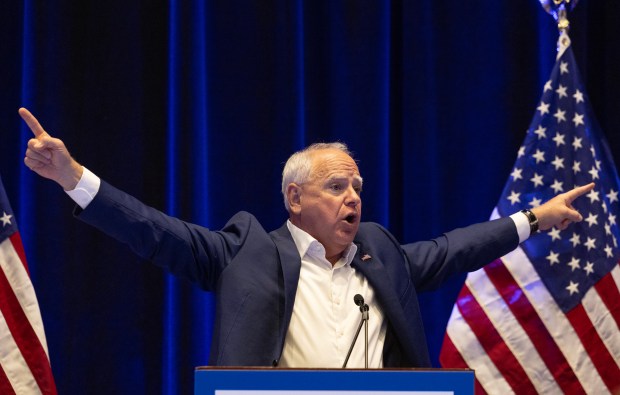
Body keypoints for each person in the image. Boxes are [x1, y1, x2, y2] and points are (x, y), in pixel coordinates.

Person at [19, 107, 593, 368]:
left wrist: (533, 219)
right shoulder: (247, 250)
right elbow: (153, 231)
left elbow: (453, 249)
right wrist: (73, 177)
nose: (353, 198)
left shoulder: (380, 253)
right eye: (337, 186)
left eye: (358, 186)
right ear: (295, 198)